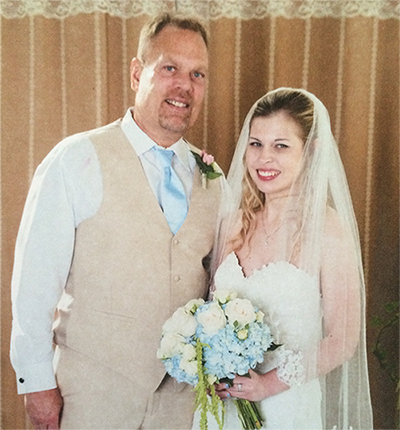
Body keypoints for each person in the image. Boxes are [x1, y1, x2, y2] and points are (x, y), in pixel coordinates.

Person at [10, 12, 225, 429]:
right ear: (136, 72)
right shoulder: (76, 159)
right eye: (169, 68)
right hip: (91, 397)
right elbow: (34, 285)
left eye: (198, 74)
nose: (184, 85)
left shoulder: (214, 179)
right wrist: (36, 385)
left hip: (182, 407)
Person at [194, 88, 373, 429]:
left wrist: (266, 385)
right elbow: (209, 313)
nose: (264, 159)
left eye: (281, 146)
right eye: (256, 143)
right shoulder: (232, 223)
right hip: (226, 405)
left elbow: (342, 340)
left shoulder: (328, 230)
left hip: (288, 406)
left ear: (311, 152)